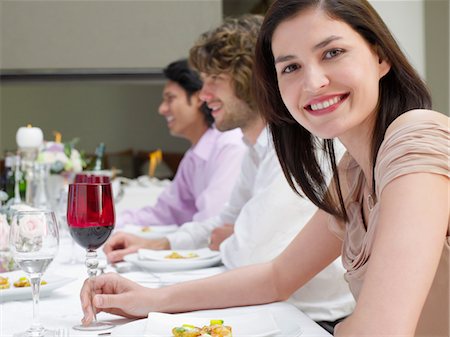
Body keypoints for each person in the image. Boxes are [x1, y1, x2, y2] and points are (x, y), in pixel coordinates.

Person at [81, 2, 449, 335]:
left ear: (380, 57)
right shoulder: (353, 172)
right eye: (291, 67)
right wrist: (150, 299)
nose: (313, 82)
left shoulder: (414, 135)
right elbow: (276, 276)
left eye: (333, 53)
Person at [102, 15, 354, 329]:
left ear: (249, 79)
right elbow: (223, 226)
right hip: (273, 310)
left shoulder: (300, 146)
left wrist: (230, 237)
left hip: (312, 321)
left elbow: (249, 257)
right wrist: (162, 244)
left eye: (214, 79)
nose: (204, 94)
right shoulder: (259, 147)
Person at [116, 59, 246, 228]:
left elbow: (212, 222)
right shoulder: (194, 156)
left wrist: (159, 244)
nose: (162, 109)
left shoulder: (230, 145)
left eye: (170, 99)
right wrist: (109, 222)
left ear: (200, 97)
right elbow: (166, 212)